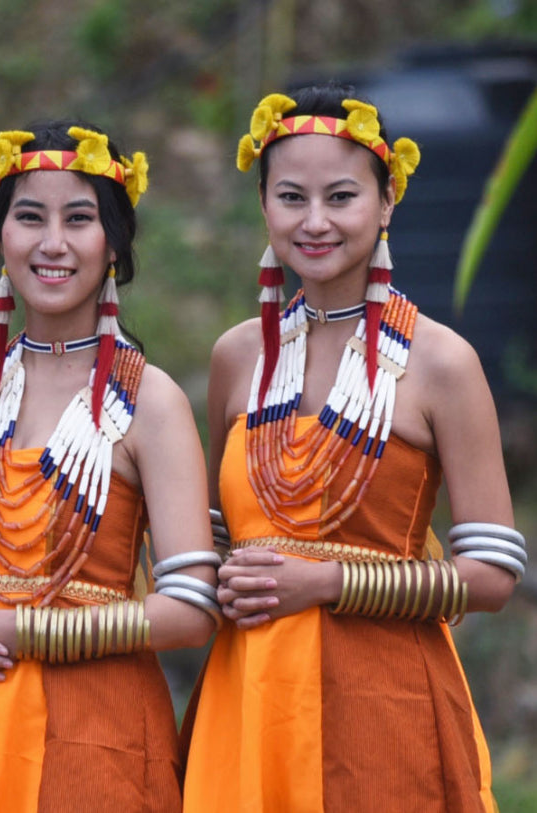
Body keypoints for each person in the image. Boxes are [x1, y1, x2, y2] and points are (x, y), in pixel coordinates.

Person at [182, 84, 525, 812]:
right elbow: (217, 531)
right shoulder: (238, 357)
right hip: (249, 693)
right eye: (290, 198)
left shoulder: (439, 362)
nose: (314, 222)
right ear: (264, 205)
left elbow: (493, 572)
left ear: (387, 201)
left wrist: (327, 582)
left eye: (340, 197)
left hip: (384, 701)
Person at [0, 122, 221, 812]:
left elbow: (193, 606)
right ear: (0, 238)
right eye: (28, 217)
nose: (52, 243)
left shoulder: (149, 401)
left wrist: (26, 631)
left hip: (95, 735)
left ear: (114, 243)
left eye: (79, 218)